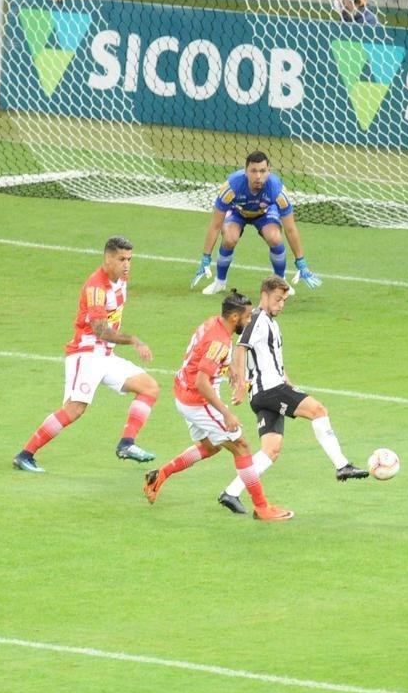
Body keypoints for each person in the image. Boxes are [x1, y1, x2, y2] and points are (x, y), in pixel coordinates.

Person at [216, 275, 367, 514]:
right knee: (318, 410)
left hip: (268, 391)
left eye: (284, 300)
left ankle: (231, 492)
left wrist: (289, 384)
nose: (281, 305)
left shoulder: (271, 323)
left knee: (271, 450)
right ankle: (342, 465)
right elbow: (241, 348)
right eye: (277, 299)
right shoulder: (256, 319)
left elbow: (274, 361)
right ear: (264, 295)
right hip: (269, 389)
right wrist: (241, 384)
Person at [143, 290, 294, 522]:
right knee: (241, 446)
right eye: (247, 317)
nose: (249, 321)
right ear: (234, 317)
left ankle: (159, 476)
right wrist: (226, 414)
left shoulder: (214, 323)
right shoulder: (220, 342)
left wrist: (230, 369)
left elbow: (202, 354)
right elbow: (201, 382)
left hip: (182, 393)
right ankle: (262, 508)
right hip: (198, 400)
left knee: (210, 447)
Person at [13, 235, 159, 472]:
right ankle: (25, 455)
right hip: (87, 354)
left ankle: (126, 444)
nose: (126, 265)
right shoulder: (96, 287)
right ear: (108, 258)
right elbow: (100, 330)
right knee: (74, 410)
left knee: (150, 388)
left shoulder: (121, 279)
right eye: (121, 259)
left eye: (129, 259)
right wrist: (133, 339)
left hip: (105, 355)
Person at [191, 150, 321, 295]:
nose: (258, 176)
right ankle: (220, 282)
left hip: (264, 212)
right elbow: (215, 225)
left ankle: (280, 283)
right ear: (246, 171)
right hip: (238, 211)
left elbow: (290, 229)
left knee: (275, 238)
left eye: (262, 171)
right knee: (229, 238)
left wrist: (301, 263)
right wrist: (206, 257)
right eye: (253, 171)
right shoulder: (231, 187)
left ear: (269, 170)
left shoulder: (277, 190)